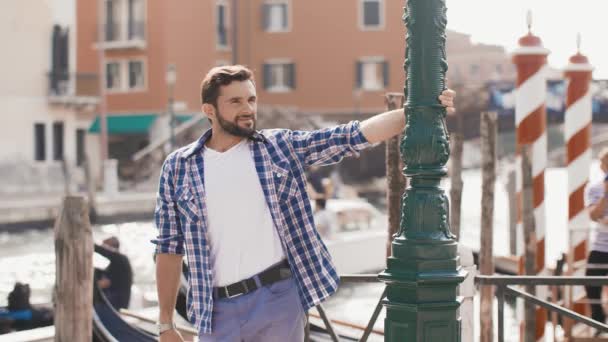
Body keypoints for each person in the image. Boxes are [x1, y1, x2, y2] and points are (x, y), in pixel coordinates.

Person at [153, 65, 456, 341]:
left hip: (276, 298)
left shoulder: (278, 147)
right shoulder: (179, 167)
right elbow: (168, 248)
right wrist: (165, 323)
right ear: (209, 109)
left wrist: (418, 110)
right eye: (235, 102)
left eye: (251, 100)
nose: (247, 109)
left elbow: (350, 136)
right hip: (214, 311)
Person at [585, 147, 608, 326]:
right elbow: (594, 215)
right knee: (591, 283)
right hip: (600, 247)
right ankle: (598, 323)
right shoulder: (594, 188)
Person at [95, 236, 133, 310]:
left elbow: (105, 283)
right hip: (112, 303)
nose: (103, 248)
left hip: (116, 305)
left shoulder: (121, 259)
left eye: (104, 246)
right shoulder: (113, 264)